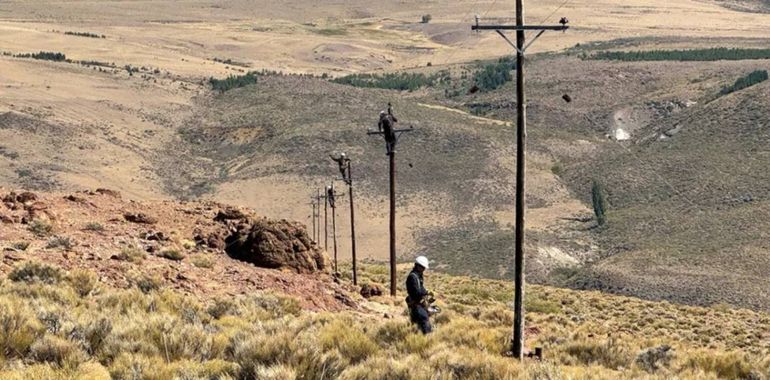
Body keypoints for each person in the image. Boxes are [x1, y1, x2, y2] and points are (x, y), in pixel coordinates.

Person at [406, 256, 433, 334]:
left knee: (417, 324)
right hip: (416, 304)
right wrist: (426, 293)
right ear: (418, 266)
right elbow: (416, 293)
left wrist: (426, 292)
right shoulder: (413, 277)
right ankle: (427, 339)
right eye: (423, 267)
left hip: (418, 303)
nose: (424, 269)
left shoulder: (418, 276)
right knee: (424, 320)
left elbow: (421, 288)